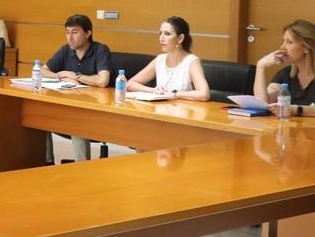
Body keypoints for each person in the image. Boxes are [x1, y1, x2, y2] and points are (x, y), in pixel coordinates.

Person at [41, 14, 112, 162]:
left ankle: (82, 170)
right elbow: (43, 70)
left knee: (77, 124)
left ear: (87, 33)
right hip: (68, 106)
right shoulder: (66, 50)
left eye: (74, 32)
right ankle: (46, 164)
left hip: (94, 110)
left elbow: (102, 81)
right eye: (67, 32)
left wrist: (75, 76)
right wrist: (60, 76)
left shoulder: (100, 50)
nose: (69, 37)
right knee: (39, 118)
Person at [127, 16, 210, 101]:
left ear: (180, 38)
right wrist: (153, 90)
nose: (161, 38)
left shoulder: (192, 62)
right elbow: (130, 84)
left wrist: (174, 94)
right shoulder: (160, 60)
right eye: (160, 33)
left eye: (167, 34)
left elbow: (204, 94)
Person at [254, 19, 315, 117]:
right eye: (283, 41)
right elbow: (263, 104)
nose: (282, 47)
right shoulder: (285, 74)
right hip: (291, 129)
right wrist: (260, 67)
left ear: (307, 47)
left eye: (289, 42)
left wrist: (297, 110)